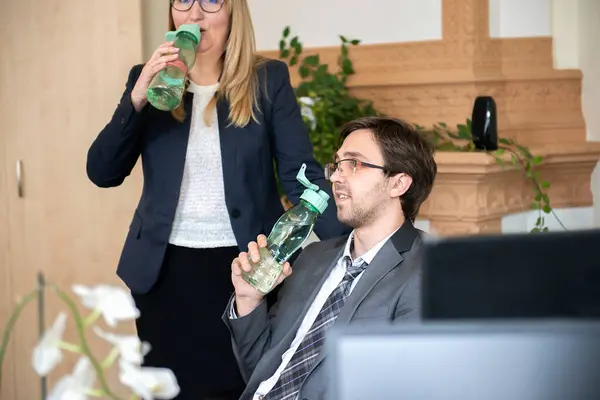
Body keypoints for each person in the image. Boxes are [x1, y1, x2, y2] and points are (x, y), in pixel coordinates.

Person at [86, 0, 350, 398]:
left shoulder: (267, 79)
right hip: (162, 276)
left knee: (241, 389)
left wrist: (355, 245)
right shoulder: (148, 79)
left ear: (233, 12)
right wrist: (137, 98)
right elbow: (102, 172)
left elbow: (302, 178)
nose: (194, 14)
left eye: (210, 1)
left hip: (245, 272)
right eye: (182, 1)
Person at [224, 116, 438, 400]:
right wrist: (249, 300)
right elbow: (261, 371)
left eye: (354, 164)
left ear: (398, 183)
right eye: (337, 165)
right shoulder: (312, 257)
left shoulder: (429, 270)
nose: (336, 177)